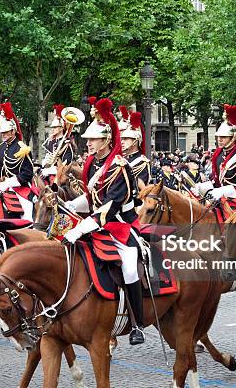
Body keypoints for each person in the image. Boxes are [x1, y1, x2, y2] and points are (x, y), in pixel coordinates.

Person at [63, 98, 145, 345]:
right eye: (87, 139)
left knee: (130, 268)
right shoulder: (92, 163)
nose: (87, 143)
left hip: (121, 226)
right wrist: (69, 206)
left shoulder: (119, 168)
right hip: (97, 223)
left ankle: (137, 323)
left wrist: (79, 229)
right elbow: (91, 199)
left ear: (107, 140)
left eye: (93, 139)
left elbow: (108, 209)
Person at [0, 102, 36, 220]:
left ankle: (30, 229)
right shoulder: (1, 147)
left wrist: (10, 182)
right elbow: (2, 168)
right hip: (4, 185)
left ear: (13, 131)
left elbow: (27, 174)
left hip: (20, 187)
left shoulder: (22, 148)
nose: (3, 134)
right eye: (2, 132)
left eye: (6, 132)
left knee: (26, 214)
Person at [210, 104, 236, 196]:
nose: (220, 140)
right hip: (218, 199)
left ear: (232, 138)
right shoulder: (218, 155)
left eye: (224, 137)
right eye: (218, 137)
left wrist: (223, 192)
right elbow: (215, 180)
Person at [119, 109, 151, 188]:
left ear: (135, 141)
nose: (122, 142)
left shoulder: (141, 163)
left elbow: (137, 189)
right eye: (121, 139)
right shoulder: (120, 159)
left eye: (126, 139)